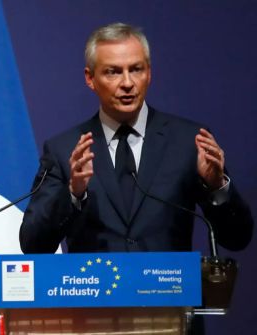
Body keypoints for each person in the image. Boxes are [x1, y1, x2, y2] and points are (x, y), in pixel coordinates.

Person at [20, 23, 253, 254]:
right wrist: (72, 194)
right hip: (97, 289)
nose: (128, 83)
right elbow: (33, 245)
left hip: (168, 290)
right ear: (90, 78)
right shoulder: (65, 149)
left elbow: (237, 238)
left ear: (149, 73)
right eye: (113, 72)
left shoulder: (188, 142)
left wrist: (216, 186)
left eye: (136, 69)